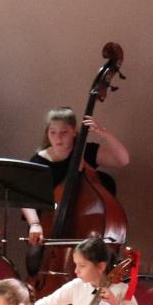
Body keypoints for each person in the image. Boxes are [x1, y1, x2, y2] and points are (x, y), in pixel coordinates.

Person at [23, 104, 131, 263]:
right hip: (49, 228)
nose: (58, 138)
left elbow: (122, 160)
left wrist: (104, 133)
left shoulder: (85, 152)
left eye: (64, 132)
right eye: (53, 132)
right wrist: (34, 224)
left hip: (83, 232)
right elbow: (26, 197)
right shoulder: (39, 160)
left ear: (74, 131)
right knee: (35, 263)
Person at [31, 234, 144, 305]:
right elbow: (46, 304)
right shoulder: (76, 286)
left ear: (101, 266)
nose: (76, 271)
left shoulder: (120, 290)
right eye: (76, 265)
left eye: (82, 265)